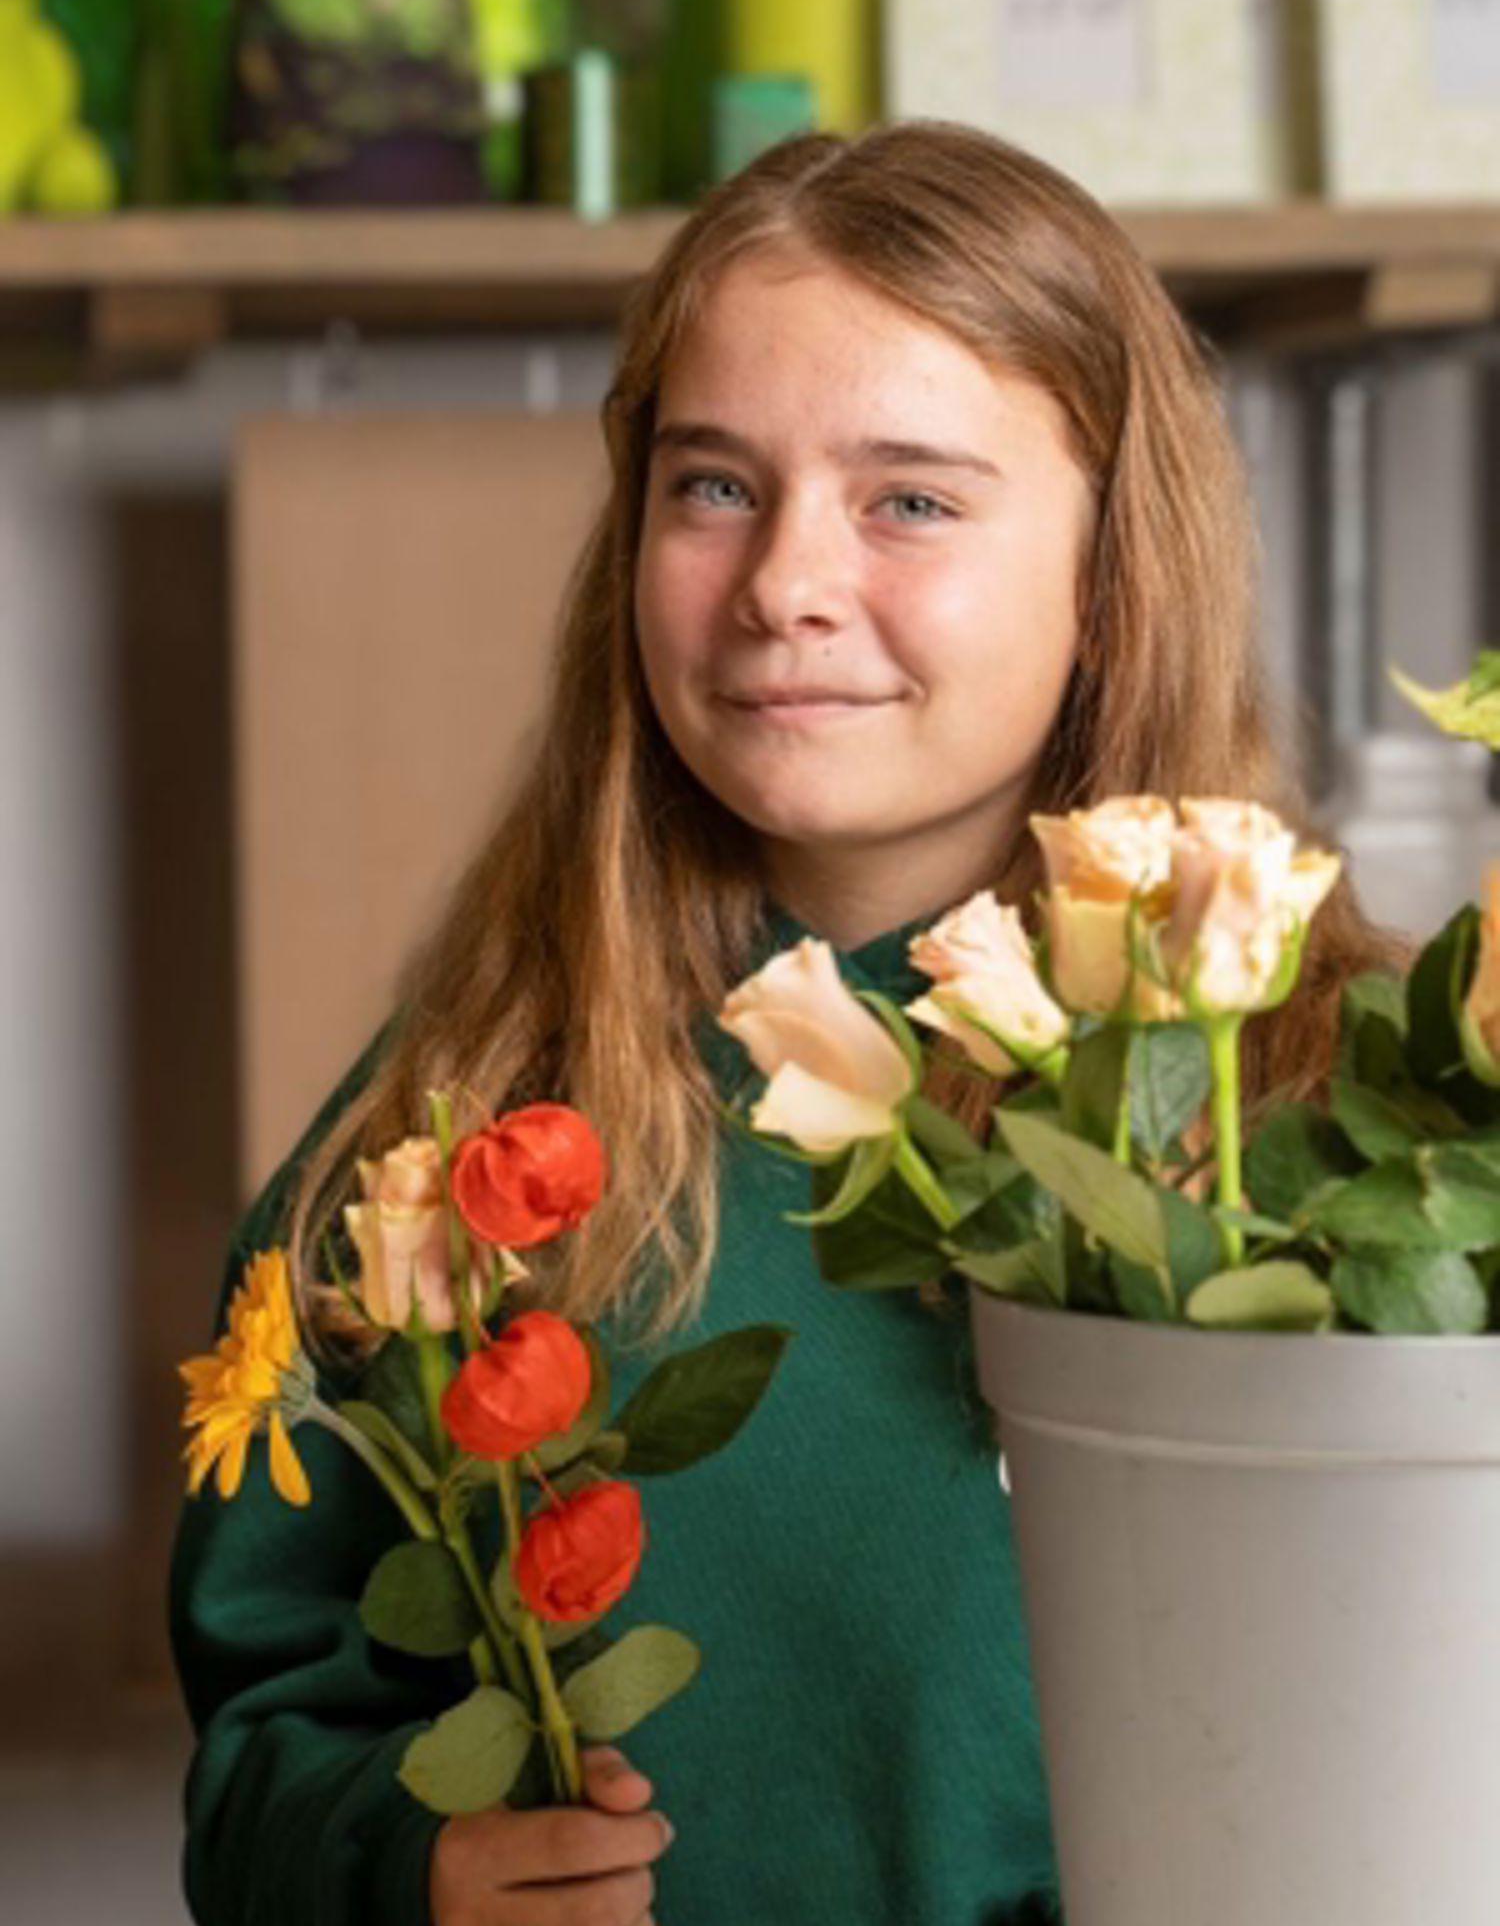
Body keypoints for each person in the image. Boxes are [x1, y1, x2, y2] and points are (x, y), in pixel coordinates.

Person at [169, 119, 1402, 1926]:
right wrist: (398, 1866)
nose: (782, 587)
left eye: (910, 498)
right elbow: (266, 1733)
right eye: (715, 486)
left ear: (1112, 568)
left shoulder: (1362, 1120)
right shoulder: (456, 1140)